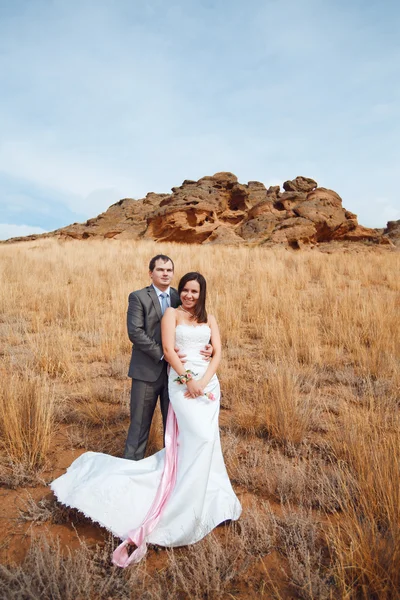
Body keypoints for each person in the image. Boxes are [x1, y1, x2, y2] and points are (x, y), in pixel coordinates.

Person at [51, 271, 241, 567]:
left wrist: (205, 378)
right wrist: (189, 379)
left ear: (202, 293)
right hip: (182, 383)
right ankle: (181, 499)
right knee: (198, 438)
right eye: (186, 291)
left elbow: (218, 351)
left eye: (195, 291)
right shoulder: (171, 314)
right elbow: (168, 350)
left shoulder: (209, 317)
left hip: (208, 384)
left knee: (207, 440)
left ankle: (206, 494)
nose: (190, 296)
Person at [124, 254, 211, 460]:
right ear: (151, 273)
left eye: (169, 270)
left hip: (175, 375)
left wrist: (209, 347)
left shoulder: (179, 296)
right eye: (160, 270)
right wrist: (164, 354)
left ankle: (169, 471)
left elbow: (196, 325)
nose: (165, 273)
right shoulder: (138, 297)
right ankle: (129, 469)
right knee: (139, 425)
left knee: (174, 425)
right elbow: (135, 332)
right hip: (147, 370)